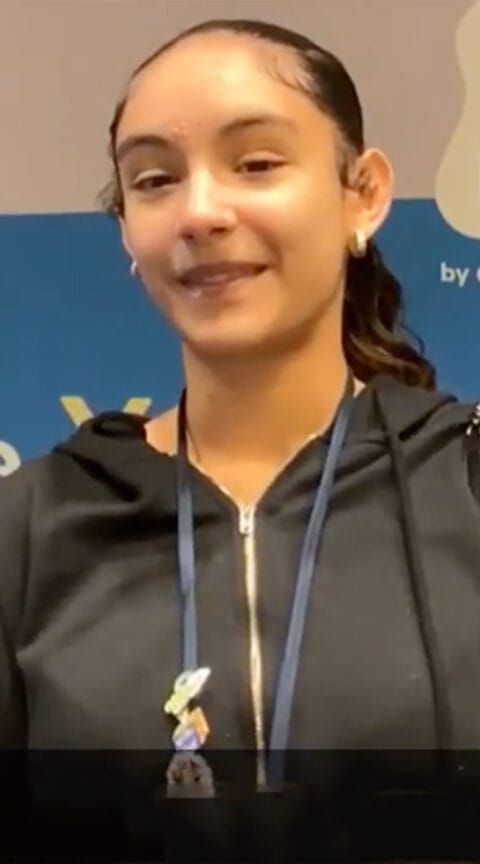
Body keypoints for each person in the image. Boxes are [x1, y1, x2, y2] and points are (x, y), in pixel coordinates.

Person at [1, 16, 480, 862]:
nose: (200, 212)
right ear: (126, 229)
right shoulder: (32, 528)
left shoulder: (464, 479)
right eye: (154, 180)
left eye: (256, 163)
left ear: (363, 194)